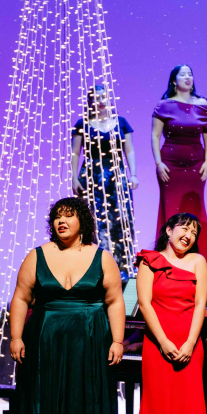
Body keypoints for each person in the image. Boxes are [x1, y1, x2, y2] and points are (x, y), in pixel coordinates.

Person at [4, 197, 124, 414]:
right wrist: (16, 337)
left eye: (69, 216)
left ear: (82, 220)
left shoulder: (102, 257)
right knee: (43, 405)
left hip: (91, 341)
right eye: (57, 216)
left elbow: (114, 301)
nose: (62, 221)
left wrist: (118, 340)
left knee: (87, 405)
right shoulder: (37, 256)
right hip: (45, 343)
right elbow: (20, 297)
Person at [125, 213, 207, 414]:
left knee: (188, 413)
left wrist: (189, 343)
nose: (188, 234)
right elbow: (146, 305)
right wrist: (163, 342)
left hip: (190, 344)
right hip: (158, 345)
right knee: (157, 411)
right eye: (184, 228)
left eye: (194, 231)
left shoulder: (198, 262)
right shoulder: (149, 260)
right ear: (169, 230)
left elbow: (201, 305)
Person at [71, 85, 138, 277]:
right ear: (90, 102)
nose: (101, 101)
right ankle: (98, 267)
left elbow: (129, 150)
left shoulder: (121, 122)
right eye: (96, 98)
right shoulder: (82, 124)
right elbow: (75, 153)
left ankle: (124, 266)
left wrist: (133, 174)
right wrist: (73, 178)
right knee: (96, 221)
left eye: (104, 97)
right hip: (93, 177)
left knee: (122, 220)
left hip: (116, 178)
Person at [153, 64, 207, 263]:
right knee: (170, 207)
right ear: (174, 81)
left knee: (194, 206)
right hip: (170, 165)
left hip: (196, 163)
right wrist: (158, 163)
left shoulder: (202, 104)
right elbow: (155, 136)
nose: (188, 77)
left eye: (190, 74)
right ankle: (168, 253)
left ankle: (197, 252)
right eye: (183, 74)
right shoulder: (164, 105)